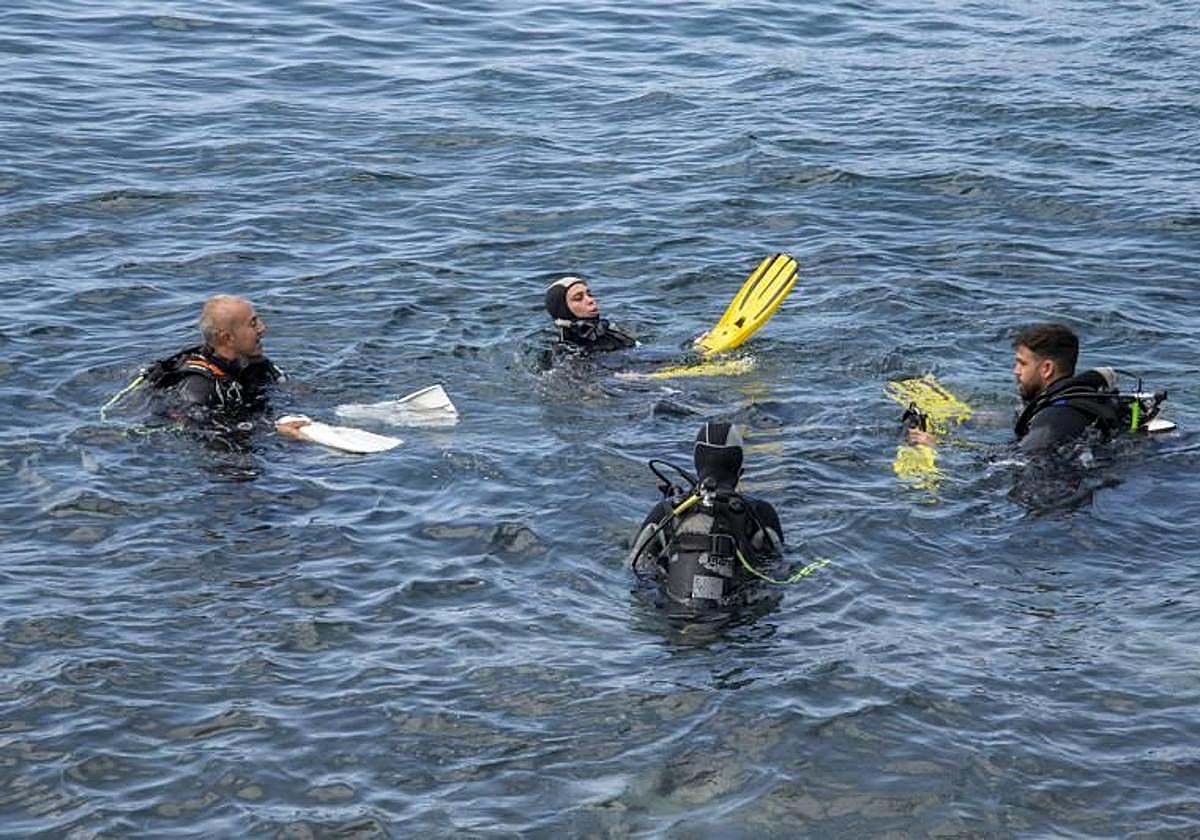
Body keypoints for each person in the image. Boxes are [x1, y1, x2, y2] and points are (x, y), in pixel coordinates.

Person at [908, 322, 1132, 453]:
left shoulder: (1052, 419)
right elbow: (1019, 419)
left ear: (1046, 369)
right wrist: (967, 420)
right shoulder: (1074, 400)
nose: (1015, 371)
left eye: (1022, 363)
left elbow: (1013, 462)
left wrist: (943, 447)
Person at [629, 421, 784, 610]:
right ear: (739, 471)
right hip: (733, 617)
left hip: (674, 614)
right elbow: (779, 568)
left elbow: (633, 565)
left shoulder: (668, 510)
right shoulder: (760, 513)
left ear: (697, 464)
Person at [145, 295, 282, 422]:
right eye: (253, 324)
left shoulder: (255, 364)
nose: (262, 328)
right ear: (227, 338)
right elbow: (205, 438)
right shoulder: (197, 389)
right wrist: (273, 429)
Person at [544, 276, 636, 353]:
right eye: (578, 298)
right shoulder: (566, 349)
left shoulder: (608, 330)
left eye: (589, 294)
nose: (590, 300)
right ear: (563, 309)